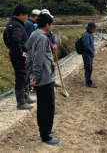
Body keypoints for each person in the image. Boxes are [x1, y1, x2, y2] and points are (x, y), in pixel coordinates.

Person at [25, 13, 61, 145]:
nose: (51, 27)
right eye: (50, 24)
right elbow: (38, 59)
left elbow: (28, 54)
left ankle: (45, 130)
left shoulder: (34, 34)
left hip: (40, 76)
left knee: (42, 105)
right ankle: (45, 136)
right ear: (47, 25)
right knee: (48, 107)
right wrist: (36, 75)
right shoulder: (42, 38)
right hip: (44, 78)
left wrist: (31, 74)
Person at [3, 4, 36, 110]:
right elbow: (16, 39)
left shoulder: (11, 23)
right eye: (26, 15)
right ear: (21, 15)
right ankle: (21, 102)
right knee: (21, 77)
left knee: (25, 75)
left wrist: (12, 49)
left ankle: (26, 97)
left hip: (16, 54)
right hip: (19, 57)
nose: (27, 17)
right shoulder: (17, 25)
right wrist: (19, 52)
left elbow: (5, 38)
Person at [82, 22, 97, 88]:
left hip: (90, 54)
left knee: (90, 68)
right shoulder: (86, 35)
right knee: (88, 68)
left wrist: (93, 51)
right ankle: (88, 82)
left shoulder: (90, 34)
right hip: (86, 54)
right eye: (93, 28)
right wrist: (92, 52)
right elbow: (86, 45)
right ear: (90, 28)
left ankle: (88, 80)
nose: (94, 29)